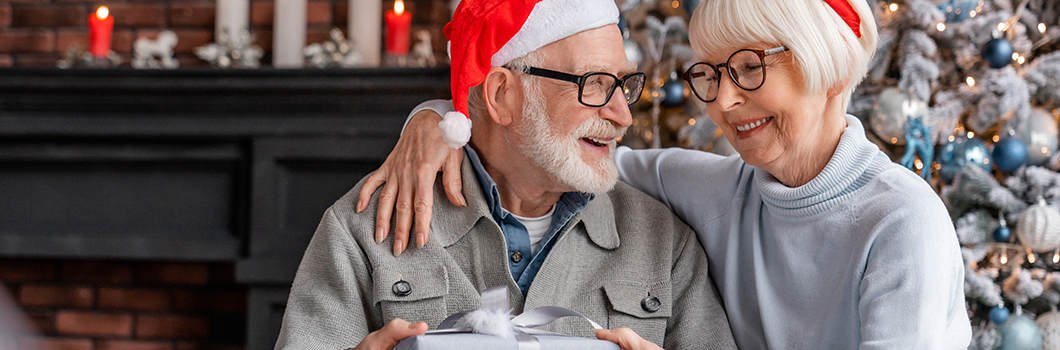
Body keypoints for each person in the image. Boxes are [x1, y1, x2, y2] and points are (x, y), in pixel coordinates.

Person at [356, 0, 974, 348]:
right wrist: (441, 118)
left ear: (831, 70)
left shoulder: (902, 222)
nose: (723, 103)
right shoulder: (711, 188)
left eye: (750, 69)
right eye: (710, 74)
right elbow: (551, 148)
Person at [274, 0, 737, 349]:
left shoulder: (665, 244)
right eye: (595, 84)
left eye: (624, 85)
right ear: (501, 95)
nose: (623, 116)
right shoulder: (363, 230)